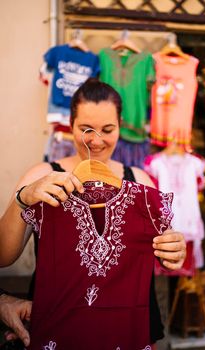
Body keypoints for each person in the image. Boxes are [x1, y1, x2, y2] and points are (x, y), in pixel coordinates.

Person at [0, 78, 186, 348]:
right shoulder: (41, 177)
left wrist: (174, 250)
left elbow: (164, 253)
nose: (96, 141)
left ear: (120, 126)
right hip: (58, 328)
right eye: (86, 129)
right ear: (71, 125)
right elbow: (4, 257)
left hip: (129, 329)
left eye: (107, 129)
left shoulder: (141, 183)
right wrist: (22, 199)